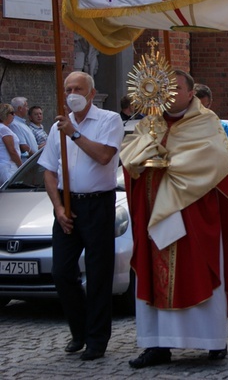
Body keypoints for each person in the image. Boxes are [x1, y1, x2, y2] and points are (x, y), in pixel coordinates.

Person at [121, 69, 228, 368]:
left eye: (177, 88)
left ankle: (212, 341)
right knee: (154, 279)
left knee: (198, 274)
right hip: (155, 215)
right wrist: (144, 157)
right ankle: (157, 345)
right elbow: (130, 161)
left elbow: (221, 163)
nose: (170, 94)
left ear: (191, 93)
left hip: (195, 217)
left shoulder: (207, 123)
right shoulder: (148, 124)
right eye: (165, 88)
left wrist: (174, 164)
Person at [37, 72, 125, 359]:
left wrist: (74, 134)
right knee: (62, 272)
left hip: (98, 203)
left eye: (78, 88)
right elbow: (49, 169)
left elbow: (103, 156)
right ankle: (80, 329)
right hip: (67, 203)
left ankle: (97, 339)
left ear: (91, 92)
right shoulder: (58, 127)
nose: (72, 93)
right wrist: (59, 207)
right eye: (68, 89)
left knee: (99, 273)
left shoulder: (108, 120)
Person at [194, 83, 228, 148]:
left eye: (204, 107)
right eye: (196, 107)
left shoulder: (222, 128)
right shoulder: (179, 126)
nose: (200, 111)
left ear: (210, 103)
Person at [0, 103, 22, 184]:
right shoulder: (4, 129)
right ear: (5, 114)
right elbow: (12, 150)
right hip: (8, 166)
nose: (14, 115)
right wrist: (21, 166)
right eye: (12, 113)